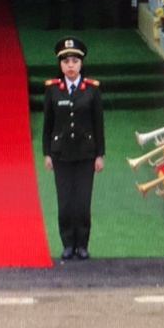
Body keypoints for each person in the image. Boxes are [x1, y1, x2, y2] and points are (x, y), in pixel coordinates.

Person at [41, 37, 105, 260]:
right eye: (66, 61)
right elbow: (47, 123)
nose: (70, 65)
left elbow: (98, 124)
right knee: (66, 202)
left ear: (81, 63)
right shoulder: (52, 90)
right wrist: (46, 153)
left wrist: (100, 155)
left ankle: (82, 244)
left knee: (82, 202)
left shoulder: (92, 89)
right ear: (60, 64)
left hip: (86, 153)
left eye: (74, 61)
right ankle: (68, 243)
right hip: (61, 154)